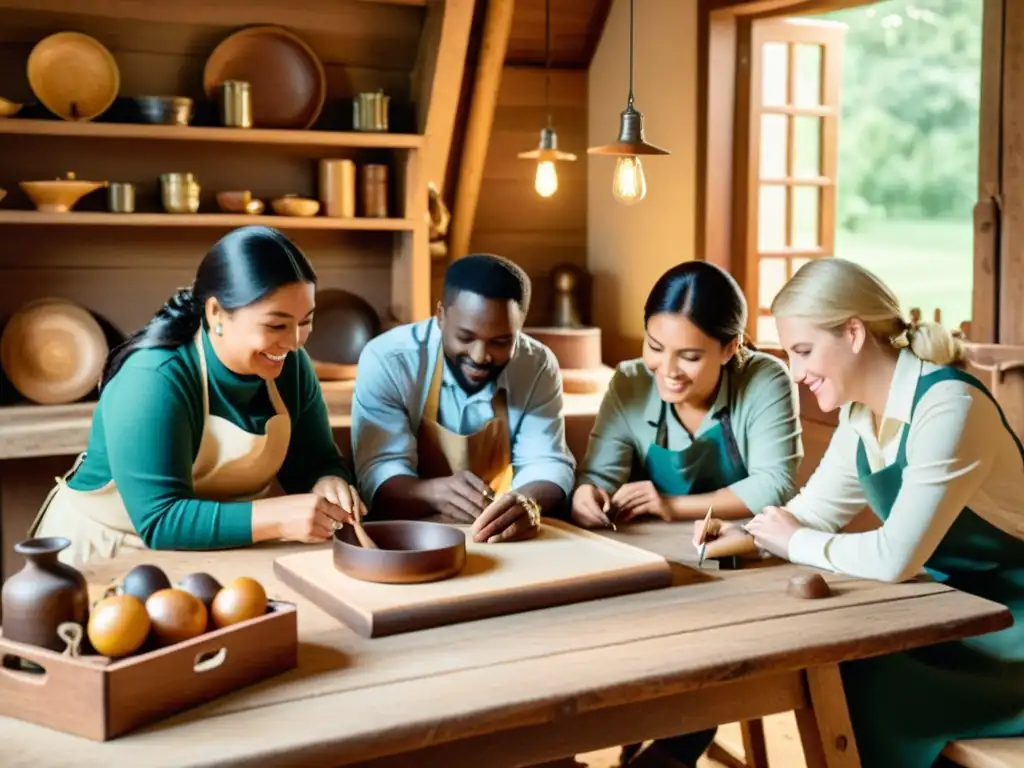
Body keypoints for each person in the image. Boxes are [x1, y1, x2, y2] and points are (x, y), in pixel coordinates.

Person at [732, 257, 1024, 768]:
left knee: (872, 679)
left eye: (803, 352)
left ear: (853, 332)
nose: (796, 374)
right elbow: (810, 514)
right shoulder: (860, 417)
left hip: (1013, 620)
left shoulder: (949, 405)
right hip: (955, 606)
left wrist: (791, 538)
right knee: (845, 661)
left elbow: (894, 560)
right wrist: (740, 537)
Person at [571, 261, 803, 768]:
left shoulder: (764, 378)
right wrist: (589, 493)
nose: (668, 370)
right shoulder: (631, 383)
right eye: (655, 347)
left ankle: (671, 753)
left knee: (711, 653)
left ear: (730, 348)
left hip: (742, 567)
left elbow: (775, 483)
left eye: (690, 356)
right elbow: (600, 470)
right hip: (655, 568)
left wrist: (672, 505)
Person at [31, 226, 365, 567]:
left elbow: (315, 462)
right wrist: (277, 517)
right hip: (104, 555)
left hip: (209, 558)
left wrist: (329, 481)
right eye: (276, 326)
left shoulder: (290, 365)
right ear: (216, 313)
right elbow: (159, 519)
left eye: (305, 322)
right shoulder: (154, 377)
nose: (295, 342)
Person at [350, 253, 575, 543]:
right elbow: (377, 468)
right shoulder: (388, 359)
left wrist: (526, 502)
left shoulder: (538, 364)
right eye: (466, 338)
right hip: (407, 536)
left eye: (501, 341)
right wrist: (430, 493)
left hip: (498, 535)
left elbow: (546, 461)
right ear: (441, 316)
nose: (481, 356)